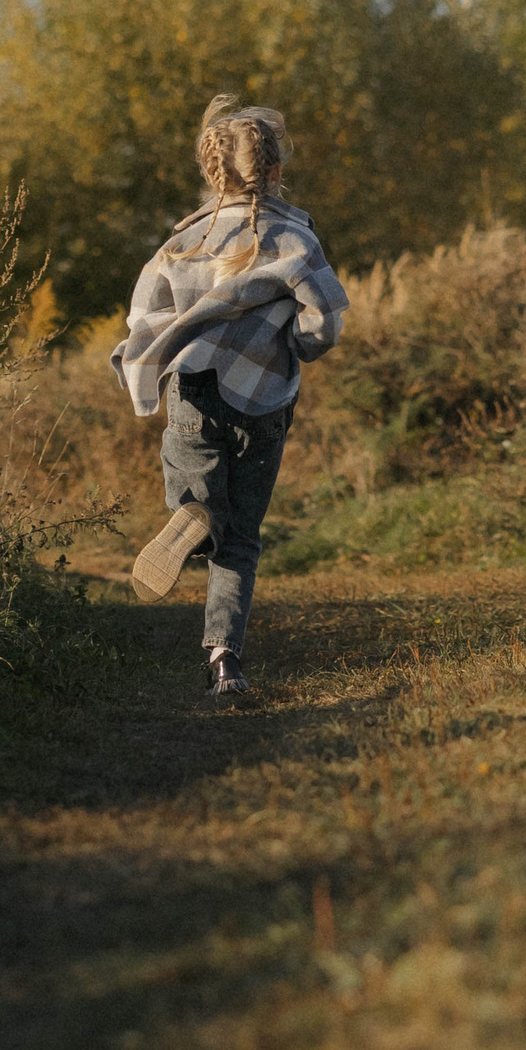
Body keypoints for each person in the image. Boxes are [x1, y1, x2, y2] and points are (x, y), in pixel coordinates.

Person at [111, 95, 349, 697]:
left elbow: (146, 316)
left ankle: (190, 512)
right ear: (274, 169)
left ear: (211, 171)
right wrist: (296, 342)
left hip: (194, 389)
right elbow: (326, 319)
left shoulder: (182, 244)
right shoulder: (295, 235)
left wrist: (156, 356)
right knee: (240, 537)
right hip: (265, 397)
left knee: (196, 494)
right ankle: (225, 663)